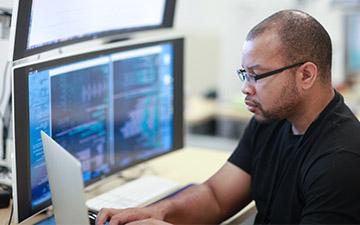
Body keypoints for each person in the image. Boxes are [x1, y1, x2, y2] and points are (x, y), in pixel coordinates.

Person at [96, 9, 360, 225]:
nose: (246, 87)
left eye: (257, 75)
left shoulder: (341, 161)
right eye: (245, 74)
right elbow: (215, 197)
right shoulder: (270, 120)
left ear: (305, 75)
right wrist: (157, 213)